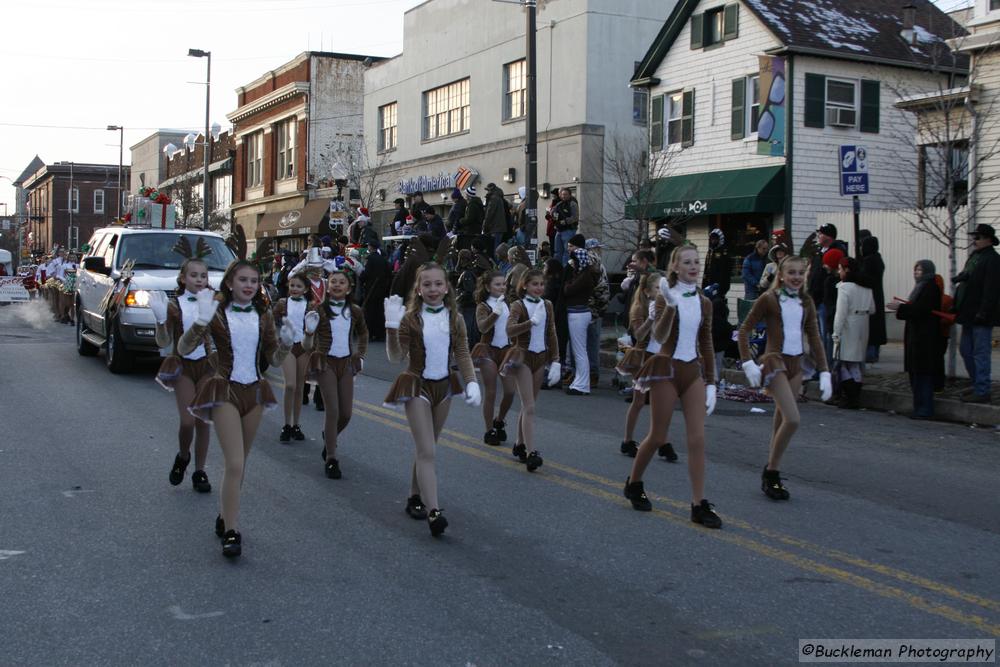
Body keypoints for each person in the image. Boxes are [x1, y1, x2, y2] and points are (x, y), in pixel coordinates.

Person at [183, 260, 297, 558]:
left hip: (255, 392)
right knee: (234, 463)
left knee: (241, 464)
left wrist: (286, 343)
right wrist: (199, 321)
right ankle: (232, 531)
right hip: (224, 389)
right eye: (243, 280)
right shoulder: (216, 312)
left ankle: (224, 516)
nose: (249, 285)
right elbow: (183, 348)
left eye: (254, 281)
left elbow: (272, 359)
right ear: (230, 283)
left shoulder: (263, 315)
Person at [622, 245, 721, 529]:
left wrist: (712, 382)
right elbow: (660, 335)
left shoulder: (704, 302)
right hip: (666, 368)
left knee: (697, 439)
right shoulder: (665, 297)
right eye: (687, 262)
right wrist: (669, 307)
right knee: (657, 435)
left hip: (692, 371)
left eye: (697, 262)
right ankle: (635, 482)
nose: (693, 266)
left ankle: (698, 503)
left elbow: (706, 343)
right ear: (675, 267)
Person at [383, 263, 481, 536]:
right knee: (427, 451)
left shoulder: (454, 318)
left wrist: (472, 381)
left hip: (445, 387)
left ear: (447, 286)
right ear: (418, 288)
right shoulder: (410, 318)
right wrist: (392, 327)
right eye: (427, 284)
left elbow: (462, 351)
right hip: (417, 385)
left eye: (438, 284)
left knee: (428, 446)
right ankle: (434, 510)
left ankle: (414, 495)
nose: (433, 289)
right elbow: (395, 357)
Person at [739, 255, 832, 502]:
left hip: (796, 364)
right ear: (780, 274)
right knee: (792, 419)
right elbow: (744, 329)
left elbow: (814, 337)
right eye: (791, 272)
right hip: (774, 362)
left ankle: (771, 476)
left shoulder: (806, 301)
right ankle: (771, 472)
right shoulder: (769, 299)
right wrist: (747, 360)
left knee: (781, 421)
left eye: (801, 273)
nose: (796, 277)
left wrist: (824, 370)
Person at [149, 237, 216, 495]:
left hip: (208, 366)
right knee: (188, 421)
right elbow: (164, 343)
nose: (199, 280)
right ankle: (183, 455)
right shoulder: (174, 305)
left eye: (203, 275)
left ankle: (200, 470)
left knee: (203, 421)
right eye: (194, 275)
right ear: (183, 278)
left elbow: (222, 337)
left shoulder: (212, 302)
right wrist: (159, 320)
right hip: (183, 366)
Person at [305, 265, 369, 479]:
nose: (337, 285)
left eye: (342, 282)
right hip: (326, 363)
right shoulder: (318, 309)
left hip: (347, 363)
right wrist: (308, 332)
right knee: (332, 410)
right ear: (327, 286)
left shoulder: (355, 311)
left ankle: (329, 436)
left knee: (346, 413)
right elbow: (308, 341)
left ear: (349, 288)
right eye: (333, 282)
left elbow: (364, 333)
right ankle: (332, 457)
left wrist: (360, 354)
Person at [500, 269, 562, 471]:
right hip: (523, 357)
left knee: (529, 405)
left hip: (540, 356)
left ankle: (519, 443)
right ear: (525, 285)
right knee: (530, 406)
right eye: (535, 284)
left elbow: (551, 332)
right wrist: (530, 322)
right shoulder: (518, 305)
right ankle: (531, 451)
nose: (539, 288)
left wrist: (556, 360)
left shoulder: (547, 305)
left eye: (542, 284)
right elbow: (509, 330)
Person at [616, 272, 674, 460]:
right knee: (639, 401)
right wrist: (650, 319)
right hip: (643, 358)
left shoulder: (667, 306)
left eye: (663, 287)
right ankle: (627, 440)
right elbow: (639, 336)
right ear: (648, 291)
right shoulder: (639, 308)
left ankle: (662, 442)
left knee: (661, 403)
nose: (661, 291)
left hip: (662, 357)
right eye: (658, 288)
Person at [887, 260, 943, 419]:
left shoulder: (930, 287)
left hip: (924, 338)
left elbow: (922, 310)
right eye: (915, 269)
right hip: (917, 336)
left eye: (919, 270)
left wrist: (901, 308)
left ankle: (924, 409)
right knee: (917, 374)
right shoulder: (921, 287)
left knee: (923, 374)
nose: (916, 273)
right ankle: (919, 407)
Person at [952, 223, 1000, 403]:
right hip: (967, 312)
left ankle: (982, 390)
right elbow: (968, 276)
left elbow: (992, 289)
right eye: (974, 237)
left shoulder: (993, 259)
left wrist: (984, 312)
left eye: (978, 237)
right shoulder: (975, 257)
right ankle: (976, 383)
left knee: (980, 353)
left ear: (988, 239)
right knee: (966, 351)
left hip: (981, 315)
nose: (975, 240)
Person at [470, 271, 516, 445]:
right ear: (488, 287)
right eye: (497, 284)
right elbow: (482, 327)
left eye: (504, 284)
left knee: (510, 392)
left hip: (507, 350)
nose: (502, 287)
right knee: (491, 392)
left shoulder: (509, 303)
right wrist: (495, 313)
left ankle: (500, 420)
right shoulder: (483, 306)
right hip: (488, 350)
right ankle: (489, 430)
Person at [272, 273, 314, 441]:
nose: (294, 289)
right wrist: (276, 337)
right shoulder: (283, 303)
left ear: (305, 289)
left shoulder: (311, 305)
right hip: (287, 346)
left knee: (299, 388)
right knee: (290, 385)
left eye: (298, 286)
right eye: (292, 286)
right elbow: (270, 320)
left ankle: (296, 425)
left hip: (303, 347)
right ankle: (286, 424)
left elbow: (317, 325)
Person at [832, 257, 875, 409]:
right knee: (855, 363)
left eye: (840, 269)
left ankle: (851, 396)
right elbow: (872, 308)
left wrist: (836, 332)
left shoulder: (844, 287)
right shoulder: (867, 287)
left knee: (843, 362)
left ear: (847, 270)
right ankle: (854, 396)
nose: (839, 272)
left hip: (849, 325)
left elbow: (840, 313)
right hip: (863, 324)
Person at [808, 224, 849, 365]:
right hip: (816, 298)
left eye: (821, 234)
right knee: (817, 335)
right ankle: (819, 364)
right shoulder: (820, 252)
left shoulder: (836, 252)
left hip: (827, 300)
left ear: (829, 236)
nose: (819, 236)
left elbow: (832, 276)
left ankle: (827, 365)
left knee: (826, 334)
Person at [562, 235, 598, 395]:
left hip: (579, 314)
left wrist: (567, 284)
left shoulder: (584, 276)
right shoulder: (583, 274)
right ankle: (580, 382)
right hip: (578, 313)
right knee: (579, 351)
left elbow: (567, 290)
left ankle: (582, 384)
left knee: (580, 351)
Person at [585, 238, 609, 387]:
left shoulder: (581, 263)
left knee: (581, 343)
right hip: (594, 308)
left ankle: (580, 372)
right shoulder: (597, 265)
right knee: (592, 343)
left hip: (583, 307)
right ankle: (593, 374)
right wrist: (602, 307)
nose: (600, 251)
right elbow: (602, 289)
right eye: (598, 248)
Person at [860, 235, 886, 362]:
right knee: (875, 328)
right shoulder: (877, 259)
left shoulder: (869, 260)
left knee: (870, 328)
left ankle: (870, 354)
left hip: (870, 298)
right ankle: (874, 352)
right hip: (877, 296)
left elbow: (864, 279)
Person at [361, 240, 389, 341]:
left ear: (370, 247)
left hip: (371, 288)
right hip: (381, 289)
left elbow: (366, 274)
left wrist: (361, 277)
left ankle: (371, 333)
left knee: (370, 312)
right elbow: (388, 273)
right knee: (380, 311)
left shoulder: (370, 259)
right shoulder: (383, 259)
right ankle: (380, 333)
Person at [454, 249, 480, 347]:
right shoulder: (472, 271)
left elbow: (469, 291)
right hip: (469, 306)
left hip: (467, 306)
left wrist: (456, 300)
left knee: (467, 329)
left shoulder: (467, 274)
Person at [551, 188, 579, 265]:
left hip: (569, 230)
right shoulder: (559, 204)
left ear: (569, 195)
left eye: (565, 194)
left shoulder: (572, 204)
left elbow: (575, 217)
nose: (563, 196)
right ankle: (557, 268)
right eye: (562, 194)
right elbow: (554, 215)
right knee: (557, 251)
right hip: (559, 230)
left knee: (567, 251)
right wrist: (552, 213)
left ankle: (565, 269)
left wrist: (565, 221)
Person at [702, 228, 731, 296]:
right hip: (708, 284)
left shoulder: (724, 252)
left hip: (719, 286)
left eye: (715, 239)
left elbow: (726, 271)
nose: (713, 241)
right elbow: (706, 269)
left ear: (720, 239)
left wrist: (723, 288)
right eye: (712, 238)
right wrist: (703, 285)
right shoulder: (709, 252)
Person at [483, 184, 508, 253]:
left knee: (495, 250)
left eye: (487, 190)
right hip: (499, 227)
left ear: (491, 190)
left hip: (495, 228)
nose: (487, 192)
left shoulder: (493, 198)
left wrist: (485, 227)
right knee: (498, 249)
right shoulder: (499, 197)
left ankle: (496, 264)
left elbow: (489, 214)